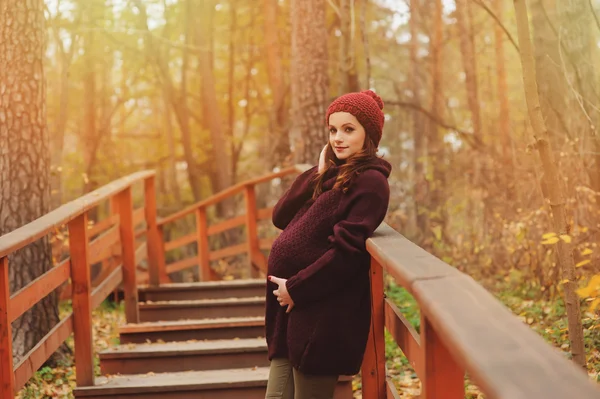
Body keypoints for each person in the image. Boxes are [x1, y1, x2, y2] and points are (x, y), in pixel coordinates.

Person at [264, 90, 392, 399]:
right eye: (333, 130)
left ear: (369, 134)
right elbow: (281, 216)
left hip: (321, 313)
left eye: (349, 129)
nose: (338, 138)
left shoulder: (371, 183)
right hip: (290, 314)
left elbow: (347, 253)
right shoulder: (331, 175)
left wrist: (298, 288)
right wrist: (317, 174)